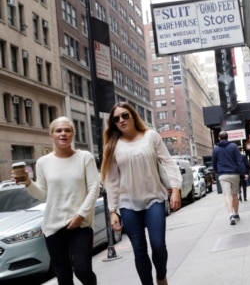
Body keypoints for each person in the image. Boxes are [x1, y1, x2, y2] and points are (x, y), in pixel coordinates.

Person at [101, 102, 182, 285]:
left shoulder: (151, 136)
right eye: (116, 118)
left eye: (125, 115)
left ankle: (161, 277)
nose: (121, 120)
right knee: (139, 250)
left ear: (133, 116)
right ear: (113, 123)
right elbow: (112, 180)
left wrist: (175, 189)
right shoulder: (112, 146)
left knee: (158, 245)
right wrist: (113, 211)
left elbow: (168, 162)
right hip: (127, 203)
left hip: (154, 198)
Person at [18, 117, 100, 285]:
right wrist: (28, 183)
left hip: (80, 223)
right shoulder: (42, 162)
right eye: (59, 130)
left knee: (83, 270)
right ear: (52, 135)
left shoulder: (85, 157)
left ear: (73, 134)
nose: (63, 134)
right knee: (63, 277)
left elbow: (94, 188)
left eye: (67, 130)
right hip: (53, 225)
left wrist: (81, 215)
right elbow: (43, 195)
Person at [211, 131, 244, 225]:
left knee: (227, 195)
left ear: (219, 138)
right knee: (234, 195)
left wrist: (217, 171)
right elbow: (239, 160)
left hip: (223, 175)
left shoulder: (216, 149)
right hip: (234, 174)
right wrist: (242, 172)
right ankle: (236, 213)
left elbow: (214, 162)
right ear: (227, 137)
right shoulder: (234, 147)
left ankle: (230, 214)